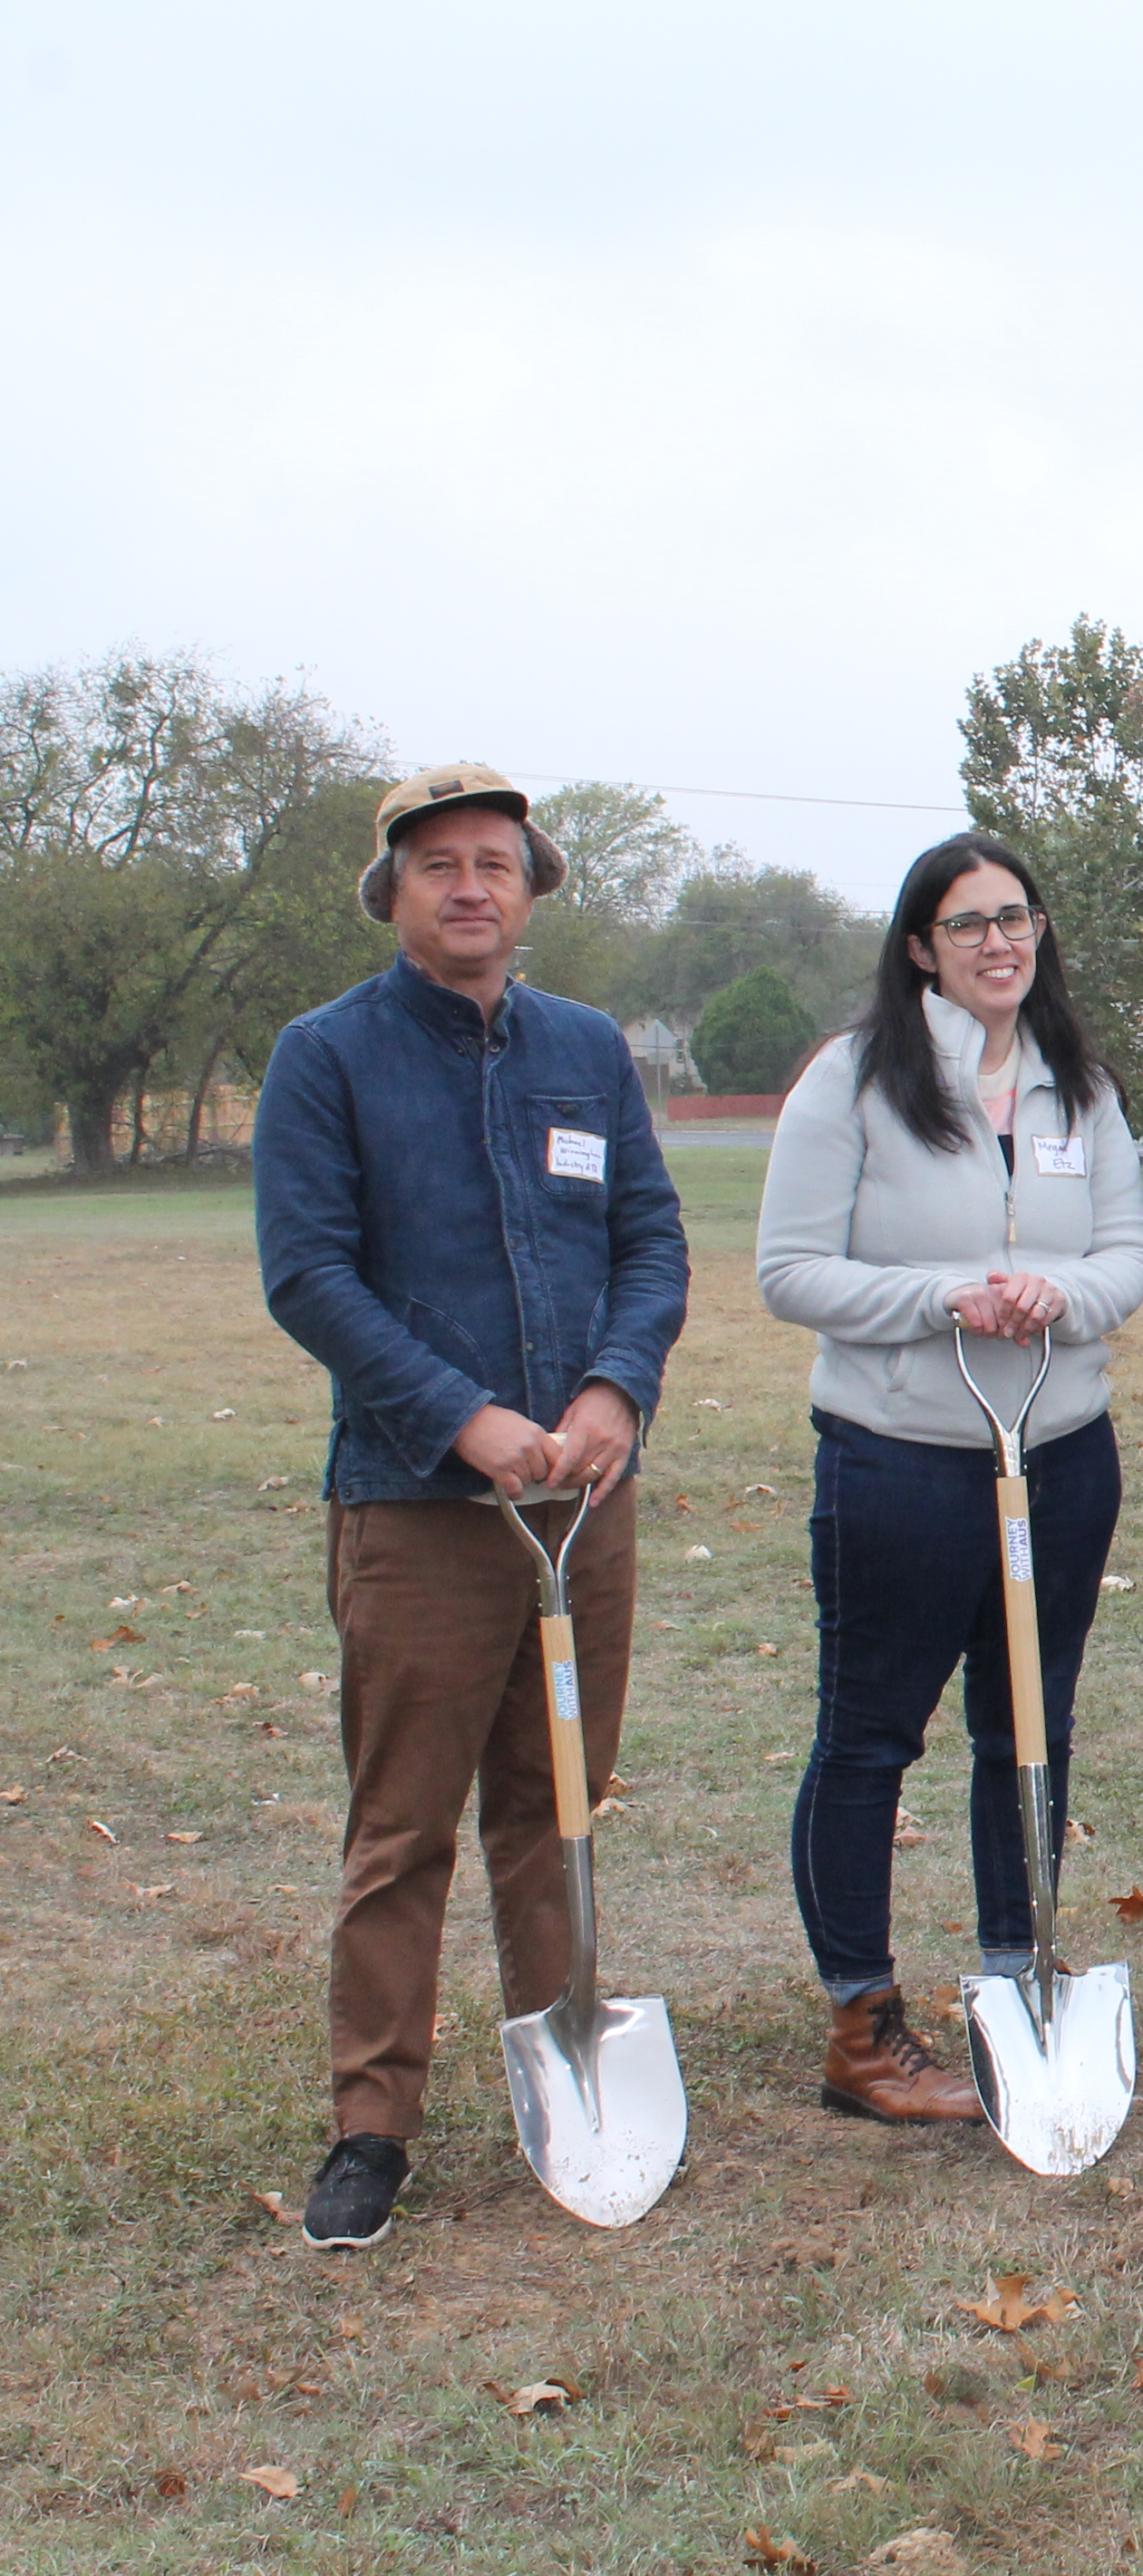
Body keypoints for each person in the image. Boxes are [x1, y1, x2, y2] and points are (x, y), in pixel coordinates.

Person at [252, 762, 689, 2248]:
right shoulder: (329, 1057)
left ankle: (557, 2053)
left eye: (494, 861)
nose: (468, 885)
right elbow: (309, 1273)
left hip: (581, 1504)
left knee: (554, 1801)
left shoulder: (584, 1051)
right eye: (436, 862)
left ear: (528, 886)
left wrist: (613, 1388)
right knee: (402, 1828)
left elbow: (647, 1232)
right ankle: (372, 2121)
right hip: (421, 1507)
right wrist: (466, 1416)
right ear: (394, 890)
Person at [753, 834, 1143, 2122]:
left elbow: (1128, 1254)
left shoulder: (1075, 1086)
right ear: (921, 946)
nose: (1001, 943)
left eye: (1019, 918)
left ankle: (1014, 1970)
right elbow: (790, 1272)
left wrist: (1059, 1292)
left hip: (1058, 1454)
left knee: (1027, 1725)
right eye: (970, 923)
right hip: (901, 1462)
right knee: (872, 1735)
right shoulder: (854, 1081)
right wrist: (949, 1298)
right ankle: (862, 2022)